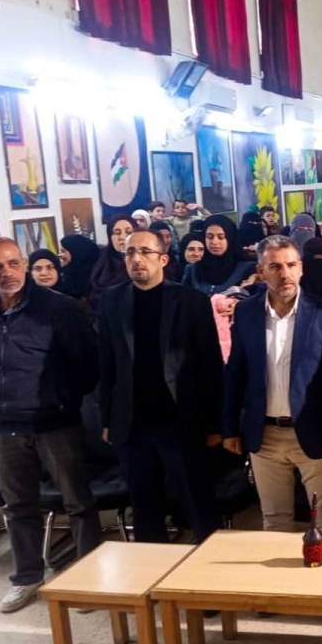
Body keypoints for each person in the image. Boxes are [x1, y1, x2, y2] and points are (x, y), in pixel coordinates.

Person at [0, 237, 102, 613]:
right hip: (2, 422)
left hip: (54, 421)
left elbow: (88, 363)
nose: (6, 272)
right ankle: (26, 577)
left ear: (24, 264)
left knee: (78, 502)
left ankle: (89, 579)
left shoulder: (59, 307)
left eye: (12, 263)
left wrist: (63, 398)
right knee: (18, 505)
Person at [224, 236, 322, 533]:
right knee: (274, 519)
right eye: (275, 267)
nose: (284, 273)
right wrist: (230, 426)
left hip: (315, 431)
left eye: (291, 265)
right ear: (261, 271)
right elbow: (236, 372)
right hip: (265, 435)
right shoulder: (246, 312)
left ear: (301, 268)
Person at [97, 229, 222, 543]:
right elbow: (108, 363)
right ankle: (152, 567)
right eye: (130, 252)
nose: (136, 259)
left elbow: (210, 365)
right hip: (132, 422)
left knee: (197, 503)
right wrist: (107, 418)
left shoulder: (191, 301)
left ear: (163, 259)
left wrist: (214, 424)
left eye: (145, 252)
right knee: (144, 508)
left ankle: (209, 564)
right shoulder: (111, 300)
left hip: (181, 420)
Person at [181, 215, 258, 295]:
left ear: (230, 238)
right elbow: (183, 298)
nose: (215, 242)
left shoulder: (248, 268)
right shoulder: (193, 269)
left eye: (221, 237)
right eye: (209, 237)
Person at [88, 216, 135, 318]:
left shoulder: (144, 264)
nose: (122, 237)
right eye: (117, 233)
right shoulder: (102, 265)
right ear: (110, 236)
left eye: (128, 232)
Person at [57, 234, 100, 302]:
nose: (59, 255)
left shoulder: (97, 278)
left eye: (63, 251)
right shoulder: (65, 276)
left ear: (76, 252)